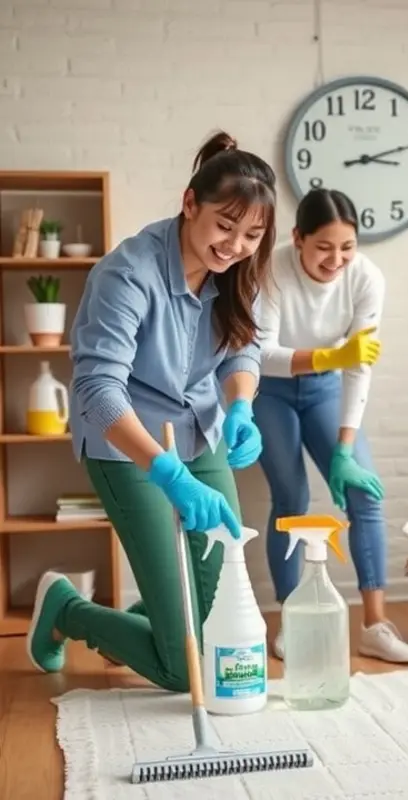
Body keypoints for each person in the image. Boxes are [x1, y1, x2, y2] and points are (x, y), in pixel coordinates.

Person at [25, 131, 277, 692]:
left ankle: (155, 620)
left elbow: (244, 347)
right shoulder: (127, 273)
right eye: (224, 226)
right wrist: (166, 472)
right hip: (127, 445)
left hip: (202, 430)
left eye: (252, 235)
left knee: (212, 630)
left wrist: (241, 406)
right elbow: (96, 386)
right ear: (190, 204)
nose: (235, 246)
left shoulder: (240, 271)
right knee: (183, 668)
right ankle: (66, 609)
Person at [253, 187, 408, 664]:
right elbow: (260, 353)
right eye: (324, 247)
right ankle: (290, 622)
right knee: (292, 499)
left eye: (347, 247)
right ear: (298, 238)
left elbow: (359, 366)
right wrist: (329, 354)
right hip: (272, 389)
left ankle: (375, 625)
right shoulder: (272, 269)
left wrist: (345, 449)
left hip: (326, 389)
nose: (336, 259)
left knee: (366, 493)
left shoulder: (367, 278)